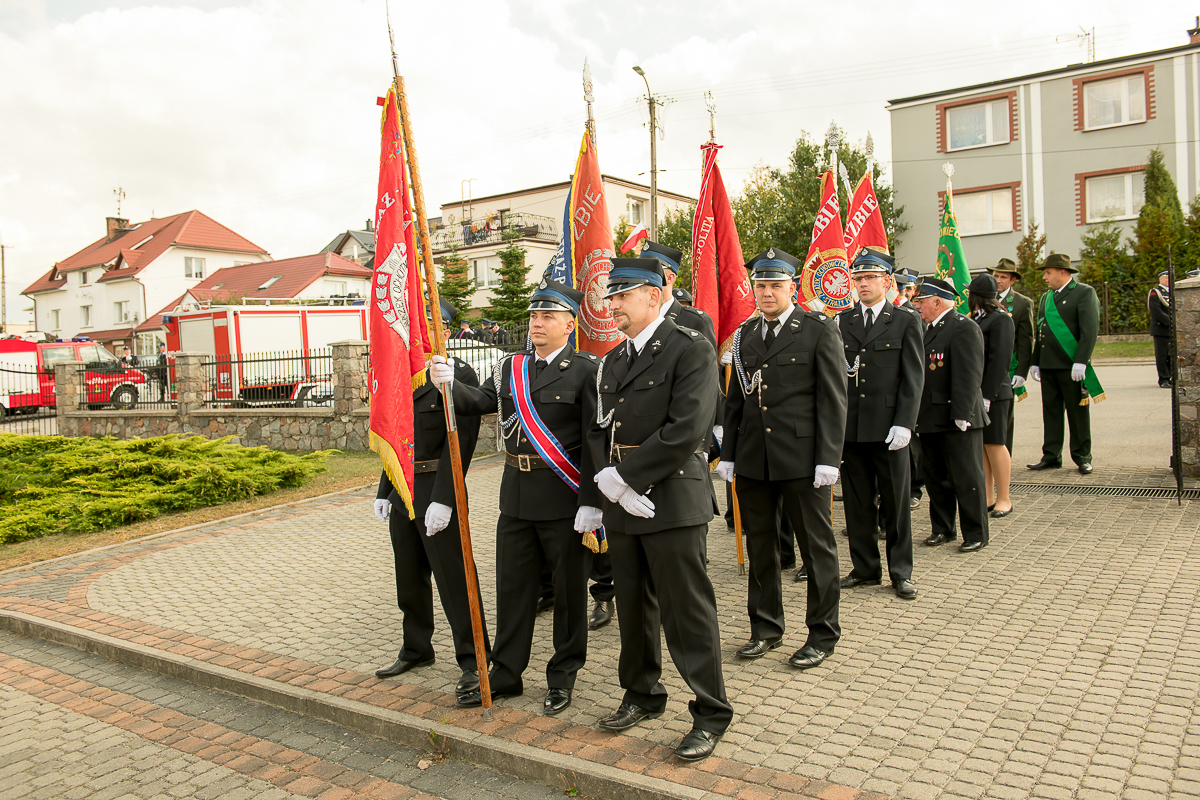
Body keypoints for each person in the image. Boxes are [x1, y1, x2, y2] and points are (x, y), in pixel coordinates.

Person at [433, 279, 601, 717]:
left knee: (567, 595)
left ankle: (563, 676)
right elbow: (484, 401)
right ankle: (506, 672)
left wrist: (591, 501)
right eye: (533, 316)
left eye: (547, 316)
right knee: (512, 590)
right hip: (516, 497)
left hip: (564, 499)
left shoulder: (586, 370)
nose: (537, 323)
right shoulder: (512, 366)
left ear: (570, 323)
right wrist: (450, 385)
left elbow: (594, 440)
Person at [587, 255, 731, 762]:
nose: (613, 305)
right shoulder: (613, 360)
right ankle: (642, 694)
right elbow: (602, 430)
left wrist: (625, 477)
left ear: (653, 294)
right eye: (611, 296)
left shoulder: (689, 348)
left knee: (687, 611)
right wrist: (606, 491)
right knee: (634, 606)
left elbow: (687, 429)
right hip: (624, 504)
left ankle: (711, 712)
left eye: (622, 296)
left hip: (672, 498)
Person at [717, 247, 847, 666]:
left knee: (816, 548)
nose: (767, 292)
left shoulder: (817, 329)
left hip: (803, 459)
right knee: (762, 548)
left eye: (775, 285)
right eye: (761, 285)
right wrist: (730, 455)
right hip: (755, 459)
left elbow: (833, 399)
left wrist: (828, 457)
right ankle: (765, 628)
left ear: (792, 286)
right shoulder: (744, 336)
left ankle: (822, 635)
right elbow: (735, 403)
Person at [372, 354, 489, 702]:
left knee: (454, 579)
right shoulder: (402, 374)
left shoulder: (454, 374)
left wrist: (445, 497)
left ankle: (473, 659)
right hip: (403, 489)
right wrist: (384, 490)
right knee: (408, 578)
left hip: (438, 489)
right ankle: (416, 648)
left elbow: (461, 442)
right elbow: (397, 439)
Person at [836, 248, 922, 601]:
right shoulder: (843, 321)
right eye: (858, 278)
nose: (863, 284)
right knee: (857, 504)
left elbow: (913, 377)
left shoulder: (904, 320)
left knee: (896, 504)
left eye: (870, 277)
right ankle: (865, 568)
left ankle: (900, 571)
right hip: (852, 430)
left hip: (889, 430)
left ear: (888, 282)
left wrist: (905, 423)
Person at [912, 277, 990, 553]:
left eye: (922, 301)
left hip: (958, 417)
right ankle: (943, 528)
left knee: (966, 477)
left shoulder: (962, 327)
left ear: (937, 302)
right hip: (931, 416)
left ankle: (976, 532)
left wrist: (963, 412)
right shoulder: (928, 328)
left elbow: (969, 374)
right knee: (936, 477)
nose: (918, 306)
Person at [1028, 253, 1101, 475]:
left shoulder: (1084, 293)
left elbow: (1089, 332)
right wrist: (1036, 362)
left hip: (1071, 367)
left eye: (1048, 273)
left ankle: (1082, 457)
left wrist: (1080, 361)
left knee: (1077, 414)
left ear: (1063, 272)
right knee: (1050, 412)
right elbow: (1040, 332)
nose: (1045, 278)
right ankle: (1051, 455)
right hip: (1049, 365)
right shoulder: (1046, 298)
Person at [968, 274, 1016, 518]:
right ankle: (987, 497)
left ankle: (1004, 498)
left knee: (996, 444)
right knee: (983, 447)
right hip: (978, 391)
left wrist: (988, 394)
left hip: (995, 392)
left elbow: (1000, 361)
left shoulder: (1000, 320)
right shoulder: (978, 318)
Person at [989, 259, 1036, 453]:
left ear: (1013, 280)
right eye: (996, 276)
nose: (998, 280)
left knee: (1004, 418)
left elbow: (1026, 340)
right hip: (986, 368)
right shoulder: (986, 298)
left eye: (1003, 277)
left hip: (1008, 367)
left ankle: (1004, 456)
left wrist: (1022, 371)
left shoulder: (1022, 303)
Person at [1149, 269, 1172, 388]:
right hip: (1161, 329)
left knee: (1171, 355)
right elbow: (1155, 310)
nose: (1169, 279)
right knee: (1162, 355)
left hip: (1171, 329)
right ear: (1160, 279)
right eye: (1166, 277)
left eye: (1170, 277)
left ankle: (1170, 376)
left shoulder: (1172, 292)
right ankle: (1163, 379)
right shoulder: (1155, 292)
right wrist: (1170, 321)